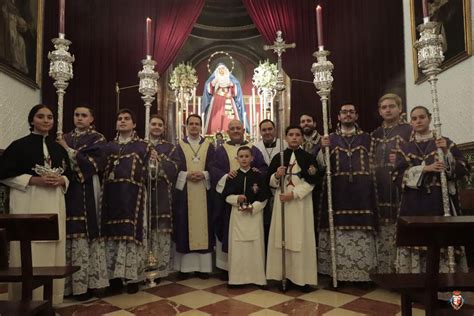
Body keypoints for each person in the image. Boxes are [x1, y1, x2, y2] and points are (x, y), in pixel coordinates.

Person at [0, 104, 71, 305]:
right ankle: (24, 300)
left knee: (53, 248)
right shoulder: (18, 146)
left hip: (54, 202)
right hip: (27, 201)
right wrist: (33, 180)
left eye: (50, 117)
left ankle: (51, 299)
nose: (46, 120)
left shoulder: (58, 148)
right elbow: (4, 175)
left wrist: (62, 181)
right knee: (27, 250)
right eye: (41, 116)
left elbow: (69, 176)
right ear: (32, 120)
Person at [394, 105, 469, 273]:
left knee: (441, 239)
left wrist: (445, 153)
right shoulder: (405, 147)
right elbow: (397, 176)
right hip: (413, 202)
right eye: (414, 118)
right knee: (416, 239)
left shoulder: (445, 142)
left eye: (422, 117)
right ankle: (415, 285)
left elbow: (463, 168)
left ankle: (445, 286)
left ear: (429, 118)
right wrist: (424, 169)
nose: (418, 121)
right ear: (410, 122)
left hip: (439, 201)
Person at [318, 102, 378, 283]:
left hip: (362, 193)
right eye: (344, 112)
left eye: (351, 112)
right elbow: (320, 166)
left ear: (356, 116)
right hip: (337, 192)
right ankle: (339, 275)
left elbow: (376, 163)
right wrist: (322, 148)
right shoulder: (330, 139)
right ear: (338, 116)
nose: (348, 115)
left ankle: (364, 276)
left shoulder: (368, 138)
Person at [101, 108, 155, 294]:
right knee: (112, 237)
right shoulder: (108, 147)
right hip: (111, 196)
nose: (122, 121)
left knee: (132, 236)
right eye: (119, 119)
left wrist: (154, 164)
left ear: (134, 124)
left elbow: (152, 174)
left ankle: (133, 278)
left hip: (134, 197)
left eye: (127, 118)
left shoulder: (143, 146)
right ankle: (114, 278)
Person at [58, 105, 109, 300]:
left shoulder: (97, 138)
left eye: (83, 115)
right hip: (66, 188)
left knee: (86, 231)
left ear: (91, 119)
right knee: (68, 231)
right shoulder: (64, 137)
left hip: (87, 186)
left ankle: (87, 285)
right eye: (76, 114)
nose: (79, 118)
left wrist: (67, 150)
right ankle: (66, 285)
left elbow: (95, 164)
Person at [266, 126, 320, 291]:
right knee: (281, 237)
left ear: (302, 138)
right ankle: (283, 276)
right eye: (291, 135)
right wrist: (276, 175)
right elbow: (270, 182)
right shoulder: (279, 157)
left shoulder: (308, 158)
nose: (294, 138)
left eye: (298, 135)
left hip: (300, 204)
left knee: (301, 239)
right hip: (282, 203)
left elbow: (312, 181)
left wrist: (294, 194)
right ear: (286, 138)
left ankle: (301, 279)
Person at [210, 119, 267, 276]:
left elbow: (263, 169)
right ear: (228, 132)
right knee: (227, 230)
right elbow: (213, 168)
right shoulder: (221, 150)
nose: (236, 131)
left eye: (238, 128)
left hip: (250, 201)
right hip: (228, 201)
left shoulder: (254, 150)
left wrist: (255, 172)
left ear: (244, 131)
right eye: (232, 128)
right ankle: (227, 267)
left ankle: (250, 268)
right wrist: (225, 176)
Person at [370, 93, 412, 274]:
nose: (388, 110)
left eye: (391, 106)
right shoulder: (375, 134)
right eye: (384, 107)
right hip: (379, 187)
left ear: (400, 108)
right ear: (379, 111)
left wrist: (403, 160)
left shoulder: (409, 130)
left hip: (401, 188)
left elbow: (419, 156)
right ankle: (385, 271)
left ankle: (401, 271)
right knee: (383, 229)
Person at [173, 114, 215, 279]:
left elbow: (214, 166)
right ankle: (184, 269)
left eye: (197, 124)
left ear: (201, 126)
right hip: (185, 194)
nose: (194, 127)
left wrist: (205, 174)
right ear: (186, 126)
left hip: (204, 193)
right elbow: (174, 166)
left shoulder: (209, 146)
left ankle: (203, 269)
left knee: (204, 226)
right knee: (184, 226)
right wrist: (186, 175)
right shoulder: (179, 146)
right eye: (191, 124)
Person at [222, 146, 269, 286]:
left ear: (252, 158)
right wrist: (237, 198)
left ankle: (257, 279)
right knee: (238, 248)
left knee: (255, 247)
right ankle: (237, 280)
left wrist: (254, 207)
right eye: (241, 156)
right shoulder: (232, 176)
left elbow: (265, 198)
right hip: (237, 217)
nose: (244, 159)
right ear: (237, 159)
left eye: (246, 156)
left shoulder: (258, 175)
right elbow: (226, 197)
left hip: (254, 216)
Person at [148, 115, 179, 283]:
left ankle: (159, 270)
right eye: (153, 124)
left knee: (160, 232)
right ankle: (140, 270)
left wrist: (159, 159)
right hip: (143, 194)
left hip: (162, 194)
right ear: (148, 125)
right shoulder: (140, 145)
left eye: (160, 124)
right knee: (145, 232)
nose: (157, 127)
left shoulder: (170, 148)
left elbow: (174, 168)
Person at [253, 119, 287, 250]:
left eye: (269, 129)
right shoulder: (255, 148)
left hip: (282, 189)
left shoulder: (284, 144)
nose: (267, 132)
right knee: (266, 224)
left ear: (275, 130)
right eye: (264, 130)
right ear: (260, 132)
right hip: (263, 191)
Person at [202, 63, 248, 135]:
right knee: (216, 117)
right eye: (219, 69)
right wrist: (213, 83)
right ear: (217, 71)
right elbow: (209, 89)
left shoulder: (229, 79)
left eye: (222, 69)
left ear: (225, 70)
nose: (221, 70)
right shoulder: (215, 79)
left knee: (228, 117)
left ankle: (229, 133)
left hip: (228, 99)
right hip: (217, 101)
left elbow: (236, 90)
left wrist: (232, 86)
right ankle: (215, 133)